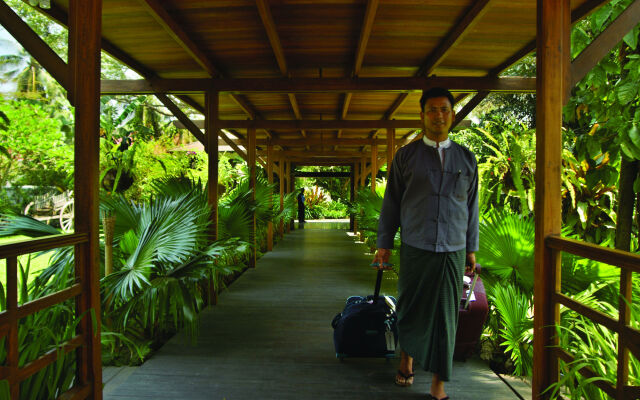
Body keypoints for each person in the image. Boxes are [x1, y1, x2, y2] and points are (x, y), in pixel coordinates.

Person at [372, 87, 479, 400]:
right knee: (410, 308)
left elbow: (472, 207)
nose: (438, 116)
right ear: (422, 115)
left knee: (446, 316)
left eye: (444, 109)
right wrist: (384, 242)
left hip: (453, 249)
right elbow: (391, 202)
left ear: (453, 115)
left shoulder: (466, 158)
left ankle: (438, 383)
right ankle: (407, 357)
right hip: (416, 246)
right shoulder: (406, 156)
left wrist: (471, 248)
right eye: (432, 110)